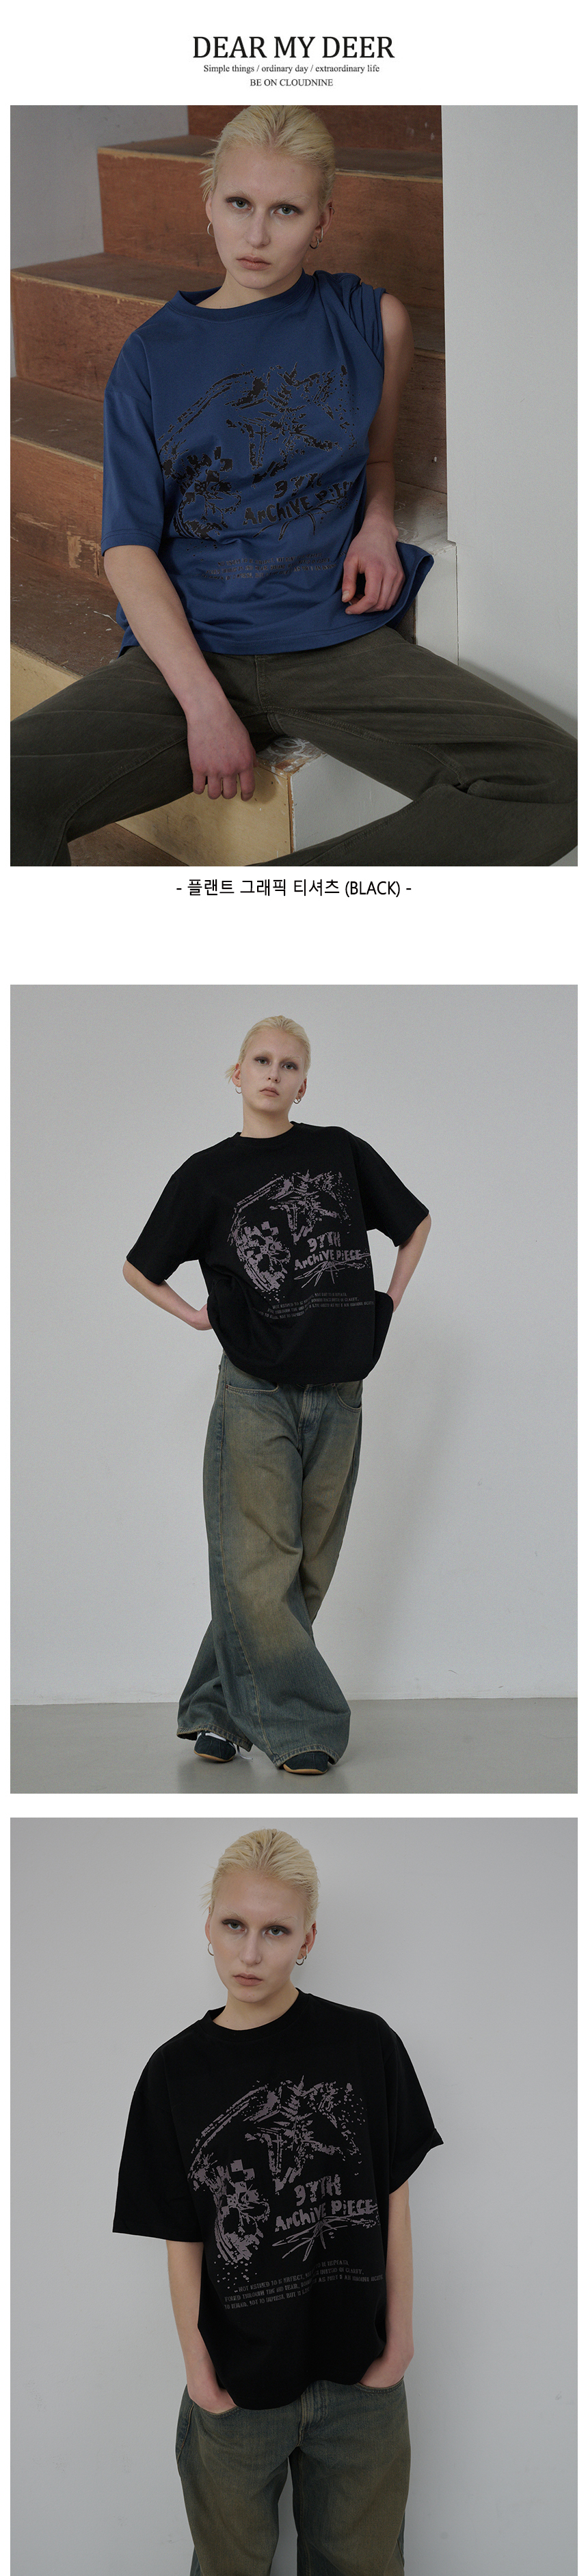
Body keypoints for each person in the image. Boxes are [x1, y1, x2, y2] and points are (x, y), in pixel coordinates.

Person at [11, 105, 576, 864]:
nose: (256, 234)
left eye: (286, 210)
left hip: (330, 640)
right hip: (191, 647)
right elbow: (127, 547)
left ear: (322, 220)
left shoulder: (371, 321)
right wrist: (204, 706)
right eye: (239, 203)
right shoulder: (149, 357)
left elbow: (378, 461)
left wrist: (377, 524)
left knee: (554, 782)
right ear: (208, 202)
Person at [113, 1826, 442, 2576]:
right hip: (237, 2387)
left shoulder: (366, 2046)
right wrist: (199, 2372)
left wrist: (399, 2341)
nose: (251, 1953)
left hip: (359, 2381)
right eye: (234, 1925)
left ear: (307, 1939)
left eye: (276, 1931)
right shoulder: (173, 2074)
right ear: (207, 1927)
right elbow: (180, 2236)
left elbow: (393, 2198)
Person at [123, 1013, 431, 1776]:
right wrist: (195, 1316)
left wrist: (386, 1305)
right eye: (260, 1061)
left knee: (304, 1568)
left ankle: (216, 1708)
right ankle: (304, 1725)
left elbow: (414, 1222)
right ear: (237, 1075)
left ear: (303, 1084)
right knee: (260, 1565)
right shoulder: (206, 1175)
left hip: (340, 1389)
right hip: (256, 1391)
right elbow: (139, 1267)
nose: (273, 1073)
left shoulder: (339, 1151)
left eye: (289, 1065)